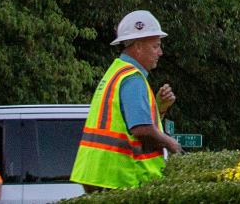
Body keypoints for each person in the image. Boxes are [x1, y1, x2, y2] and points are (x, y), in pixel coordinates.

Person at [70, 10, 183, 191]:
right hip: (117, 175)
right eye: (156, 46)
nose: (160, 52)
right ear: (138, 46)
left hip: (100, 172)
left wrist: (159, 109)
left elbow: (125, 124)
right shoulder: (132, 78)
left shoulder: (116, 72)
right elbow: (141, 129)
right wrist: (171, 143)